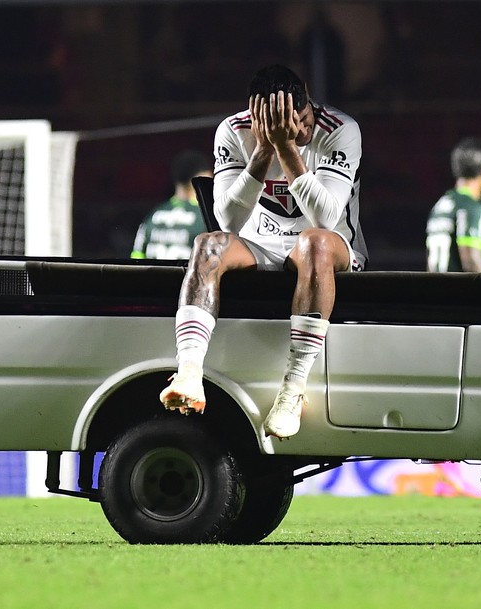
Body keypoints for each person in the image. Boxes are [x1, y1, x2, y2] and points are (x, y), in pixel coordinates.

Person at [158, 64, 368, 440]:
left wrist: (286, 149)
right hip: (258, 243)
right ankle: (189, 372)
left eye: (302, 119)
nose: (300, 130)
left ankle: (292, 389)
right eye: (287, 124)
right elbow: (228, 222)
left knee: (314, 241)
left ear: (306, 96)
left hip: (328, 246)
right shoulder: (233, 130)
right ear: (258, 115)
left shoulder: (340, 129)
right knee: (207, 246)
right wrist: (262, 151)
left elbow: (324, 216)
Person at [425, 138, 481, 272]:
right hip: (458, 291)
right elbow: (470, 261)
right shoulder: (471, 207)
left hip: (434, 290)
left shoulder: (440, 206)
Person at [130, 150, 212, 260]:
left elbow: (136, 257)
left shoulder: (153, 215)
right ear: (202, 177)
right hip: (186, 276)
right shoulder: (205, 217)